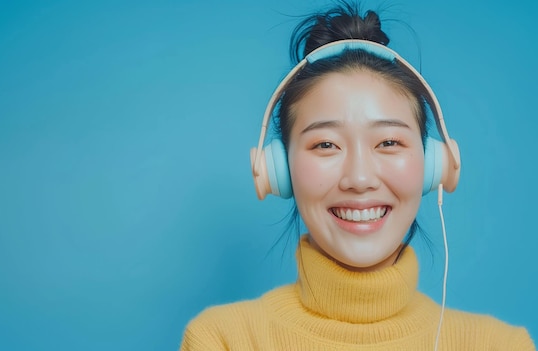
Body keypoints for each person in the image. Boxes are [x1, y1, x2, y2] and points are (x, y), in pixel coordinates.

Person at [180, 3, 536, 350]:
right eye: (326, 145)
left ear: (434, 164)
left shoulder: (500, 345)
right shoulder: (221, 340)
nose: (360, 178)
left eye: (389, 142)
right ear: (280, 171)